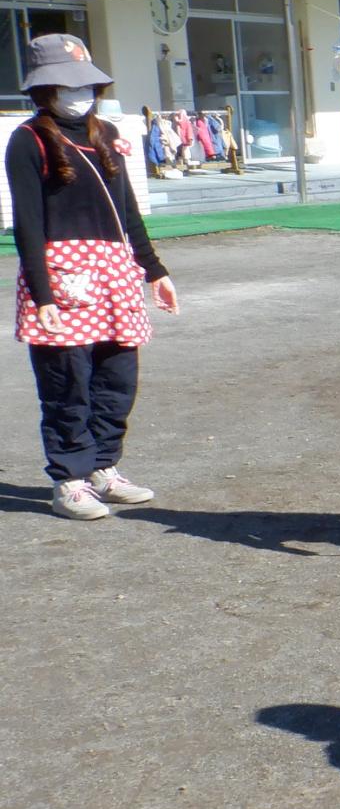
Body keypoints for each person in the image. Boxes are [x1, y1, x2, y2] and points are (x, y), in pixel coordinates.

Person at [7, 33, 180, 520]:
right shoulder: (28, 140)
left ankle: (104, 467)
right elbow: (28, 222)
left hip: (113, 273)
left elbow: (128, 210)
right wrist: (43, 295)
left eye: (86, 84)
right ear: (45, 89)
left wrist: (155, 270)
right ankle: (70, 479)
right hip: (61, 277)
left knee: (116, 378)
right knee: (67, 383)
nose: (80, 93)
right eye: (67, 84)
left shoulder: (104, 133)